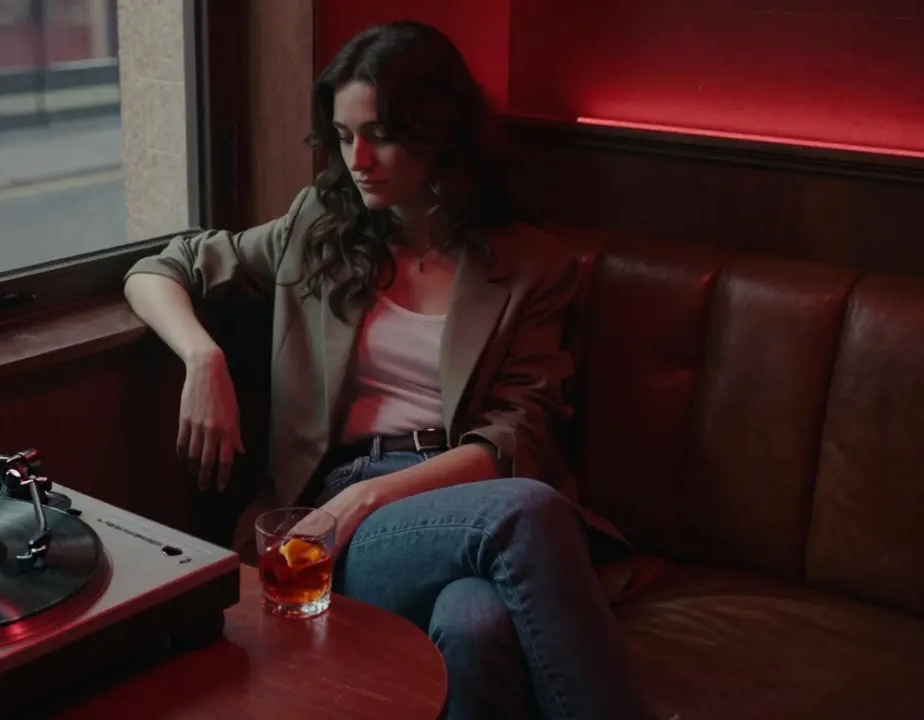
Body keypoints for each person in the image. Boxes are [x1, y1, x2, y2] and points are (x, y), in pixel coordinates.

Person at [123, 20, 657, 720]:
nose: (358, 159)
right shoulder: (317, 226)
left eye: (380, 134)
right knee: (528, 514)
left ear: (440, 134)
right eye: (343, 137)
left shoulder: (531, 267)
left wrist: (370, 502)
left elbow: (519, 438)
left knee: (476, 622)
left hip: (446, 492)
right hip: (337, 514)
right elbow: (160, 268)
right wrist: (203, 355)